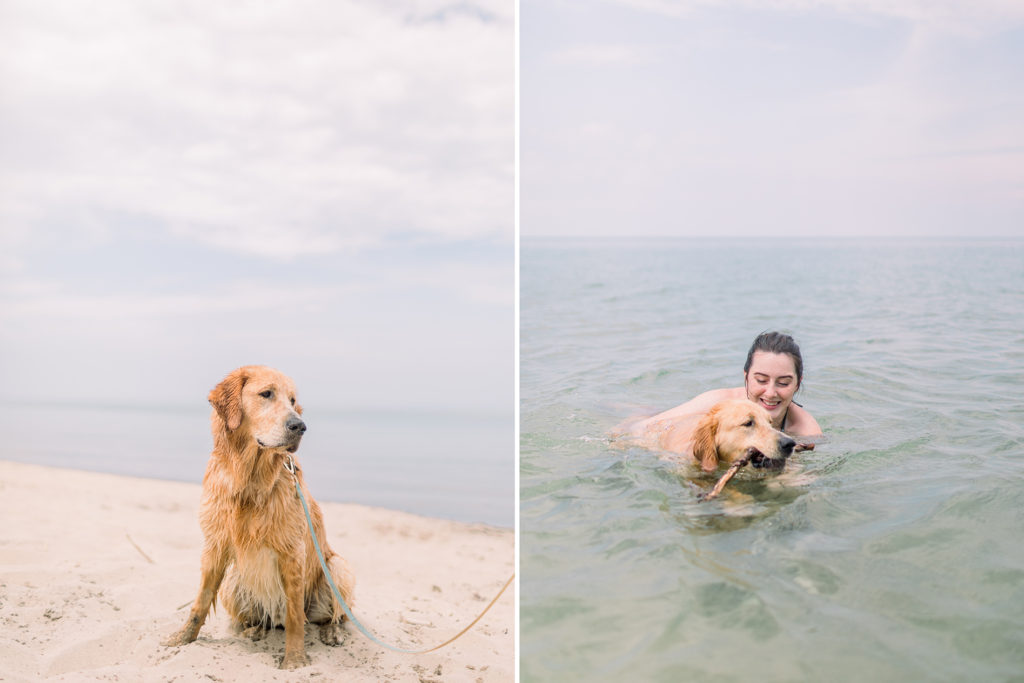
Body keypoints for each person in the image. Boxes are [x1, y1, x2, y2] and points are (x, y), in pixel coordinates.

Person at [628, 331, 822, 455]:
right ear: (746, 377)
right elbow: (643, 428)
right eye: (761, 380)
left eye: (783, 383)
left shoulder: (807, 432)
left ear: (798, 384)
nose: (770, 392)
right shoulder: (718, 403)